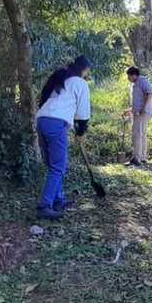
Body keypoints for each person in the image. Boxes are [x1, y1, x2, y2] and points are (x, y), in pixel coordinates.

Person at [35, 55, 92, 220]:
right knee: (58, 166)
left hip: (42, 120)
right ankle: (44, 205)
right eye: (88, 71)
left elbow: (49, 101)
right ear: (84, 69)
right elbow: (83, 113)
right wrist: (81, 133)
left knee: (54, 165)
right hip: (55, 123)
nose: (88, 74)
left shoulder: (63, 79)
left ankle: (58, 199)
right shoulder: (80, 83)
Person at [122, 66, 152, 166]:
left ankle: (136, 158)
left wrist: (142, 109)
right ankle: (142, 157)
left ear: (133, 75)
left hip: (144, 112)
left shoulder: (142, 81)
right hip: (139, 112)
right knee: (142, 134)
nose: (128, 78)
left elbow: (149, 94)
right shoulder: (135, 84)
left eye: (128, 76)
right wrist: (129, 110)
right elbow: (137, 101)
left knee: (137, 134)